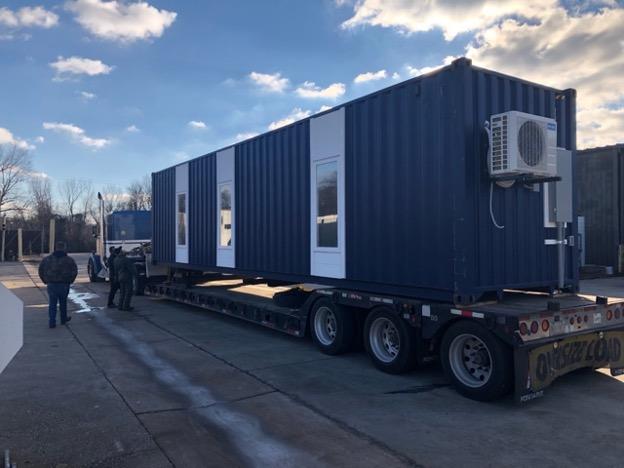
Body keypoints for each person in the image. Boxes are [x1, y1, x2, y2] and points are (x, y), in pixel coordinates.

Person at [38, 241, 78, 328]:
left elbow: (41, 270)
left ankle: (52, 321)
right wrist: (70, 280)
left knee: (52, 304)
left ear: (55, 248)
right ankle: (63, 319)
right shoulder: (69, 260)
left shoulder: (47, 259)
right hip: (64, 284)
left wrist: (45, 280)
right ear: (64, 248)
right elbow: (74, 271)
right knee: (63, 303)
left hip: (51, 284)